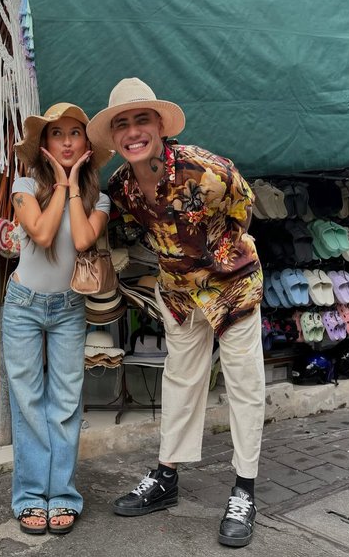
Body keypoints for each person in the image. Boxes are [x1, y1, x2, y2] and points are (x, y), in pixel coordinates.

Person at [87, 78, 265, 547]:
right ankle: (166, 476)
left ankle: (245, 489)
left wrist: (217, 254)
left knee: (245, 385)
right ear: (115, 136)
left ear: (160, 125)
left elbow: (244, 208)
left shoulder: (207, 169)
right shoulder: (122, 185)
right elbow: (133, 231)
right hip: (180, 293)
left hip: (233, 286)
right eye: (121, 124)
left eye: (141, 119)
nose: (132, 132)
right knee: (181, 382)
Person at [4, 103, 111, 535]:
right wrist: (61, 181)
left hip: (69, 308)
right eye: (56, 134)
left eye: (75, 134)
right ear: (44, 144)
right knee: (28, 403)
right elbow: (43, 234)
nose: (66, 141)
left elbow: (84, 237)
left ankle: (62, 495)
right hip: (23, 306)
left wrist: (71, 187)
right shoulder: (24, 185)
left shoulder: (97, 198)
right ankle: (31, 497)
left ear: (86, 143)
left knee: (65, 403)